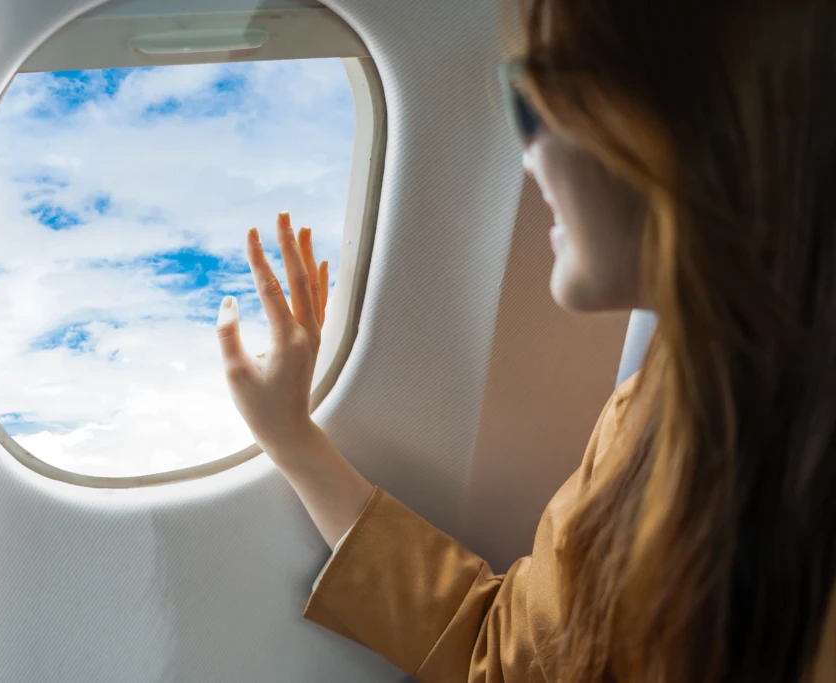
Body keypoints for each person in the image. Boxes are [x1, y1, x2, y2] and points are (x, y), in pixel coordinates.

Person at [215, 0, 836, 681]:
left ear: (695, 125)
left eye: (543, 99)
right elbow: (509, 652)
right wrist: (294, 438)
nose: (526, 152)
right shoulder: (653, 413)